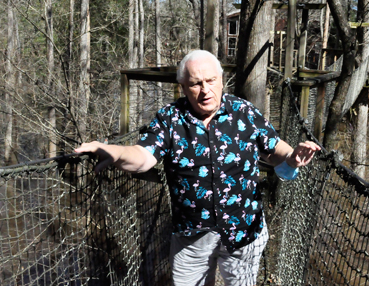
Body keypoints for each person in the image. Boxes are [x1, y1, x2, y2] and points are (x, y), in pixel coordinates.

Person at [75, 50, 319, 286]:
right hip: (191, 237)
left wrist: (292, 156)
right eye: (195, 84)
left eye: (211, 80)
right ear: (182, 87)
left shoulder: (244, 113)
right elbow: (143, 156)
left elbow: (275, 149)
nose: (205, 90)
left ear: (222, 80)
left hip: (244, 231)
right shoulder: (170, 119)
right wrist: (114, 152)